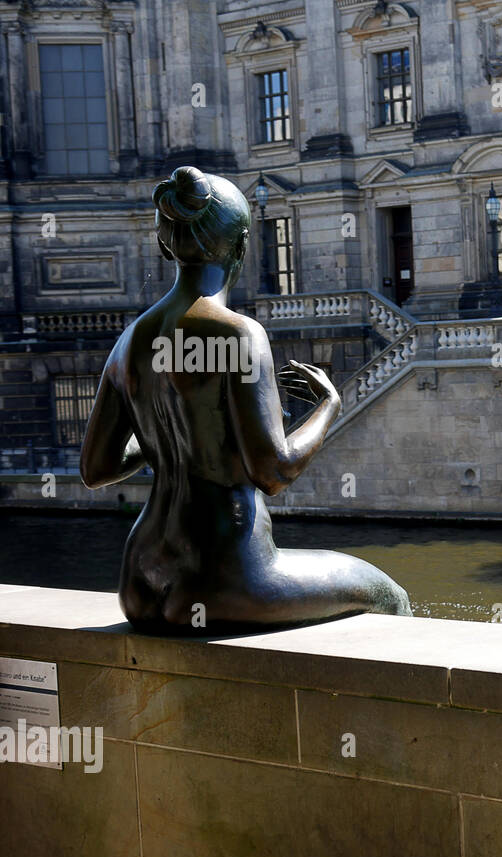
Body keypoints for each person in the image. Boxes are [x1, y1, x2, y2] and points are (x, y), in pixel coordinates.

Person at [80, 166, 411, 633]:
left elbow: (97, 470)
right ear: (239, 247)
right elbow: (273, 471)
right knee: (389, 594)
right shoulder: (238, 333)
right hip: (225, 577)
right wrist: (329, 405)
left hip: (140, 581)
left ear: (165, 245)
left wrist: (157, 432)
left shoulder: (128, 341)